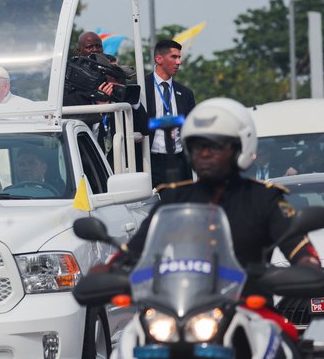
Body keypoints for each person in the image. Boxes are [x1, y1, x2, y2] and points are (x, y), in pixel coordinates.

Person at [118, 98, 320, 297]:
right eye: (197, 146)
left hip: (250, 311)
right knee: (135, 331)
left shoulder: (265, 198)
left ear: (240, 147)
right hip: (183, 308)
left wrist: (306, 267)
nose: (204, 153)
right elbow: (133, 252)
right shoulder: (174, 199)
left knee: (281, 331)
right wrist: (110, 271)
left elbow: (301, 252)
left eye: (214, 146)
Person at [145, 39, 196, 187]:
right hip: (151, 161)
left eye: (179, 57)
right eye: (174, 57)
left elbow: (191, 127)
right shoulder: (141, 87)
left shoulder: (185, 93)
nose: (178, 62)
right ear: (159, 59)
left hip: (179, 160)